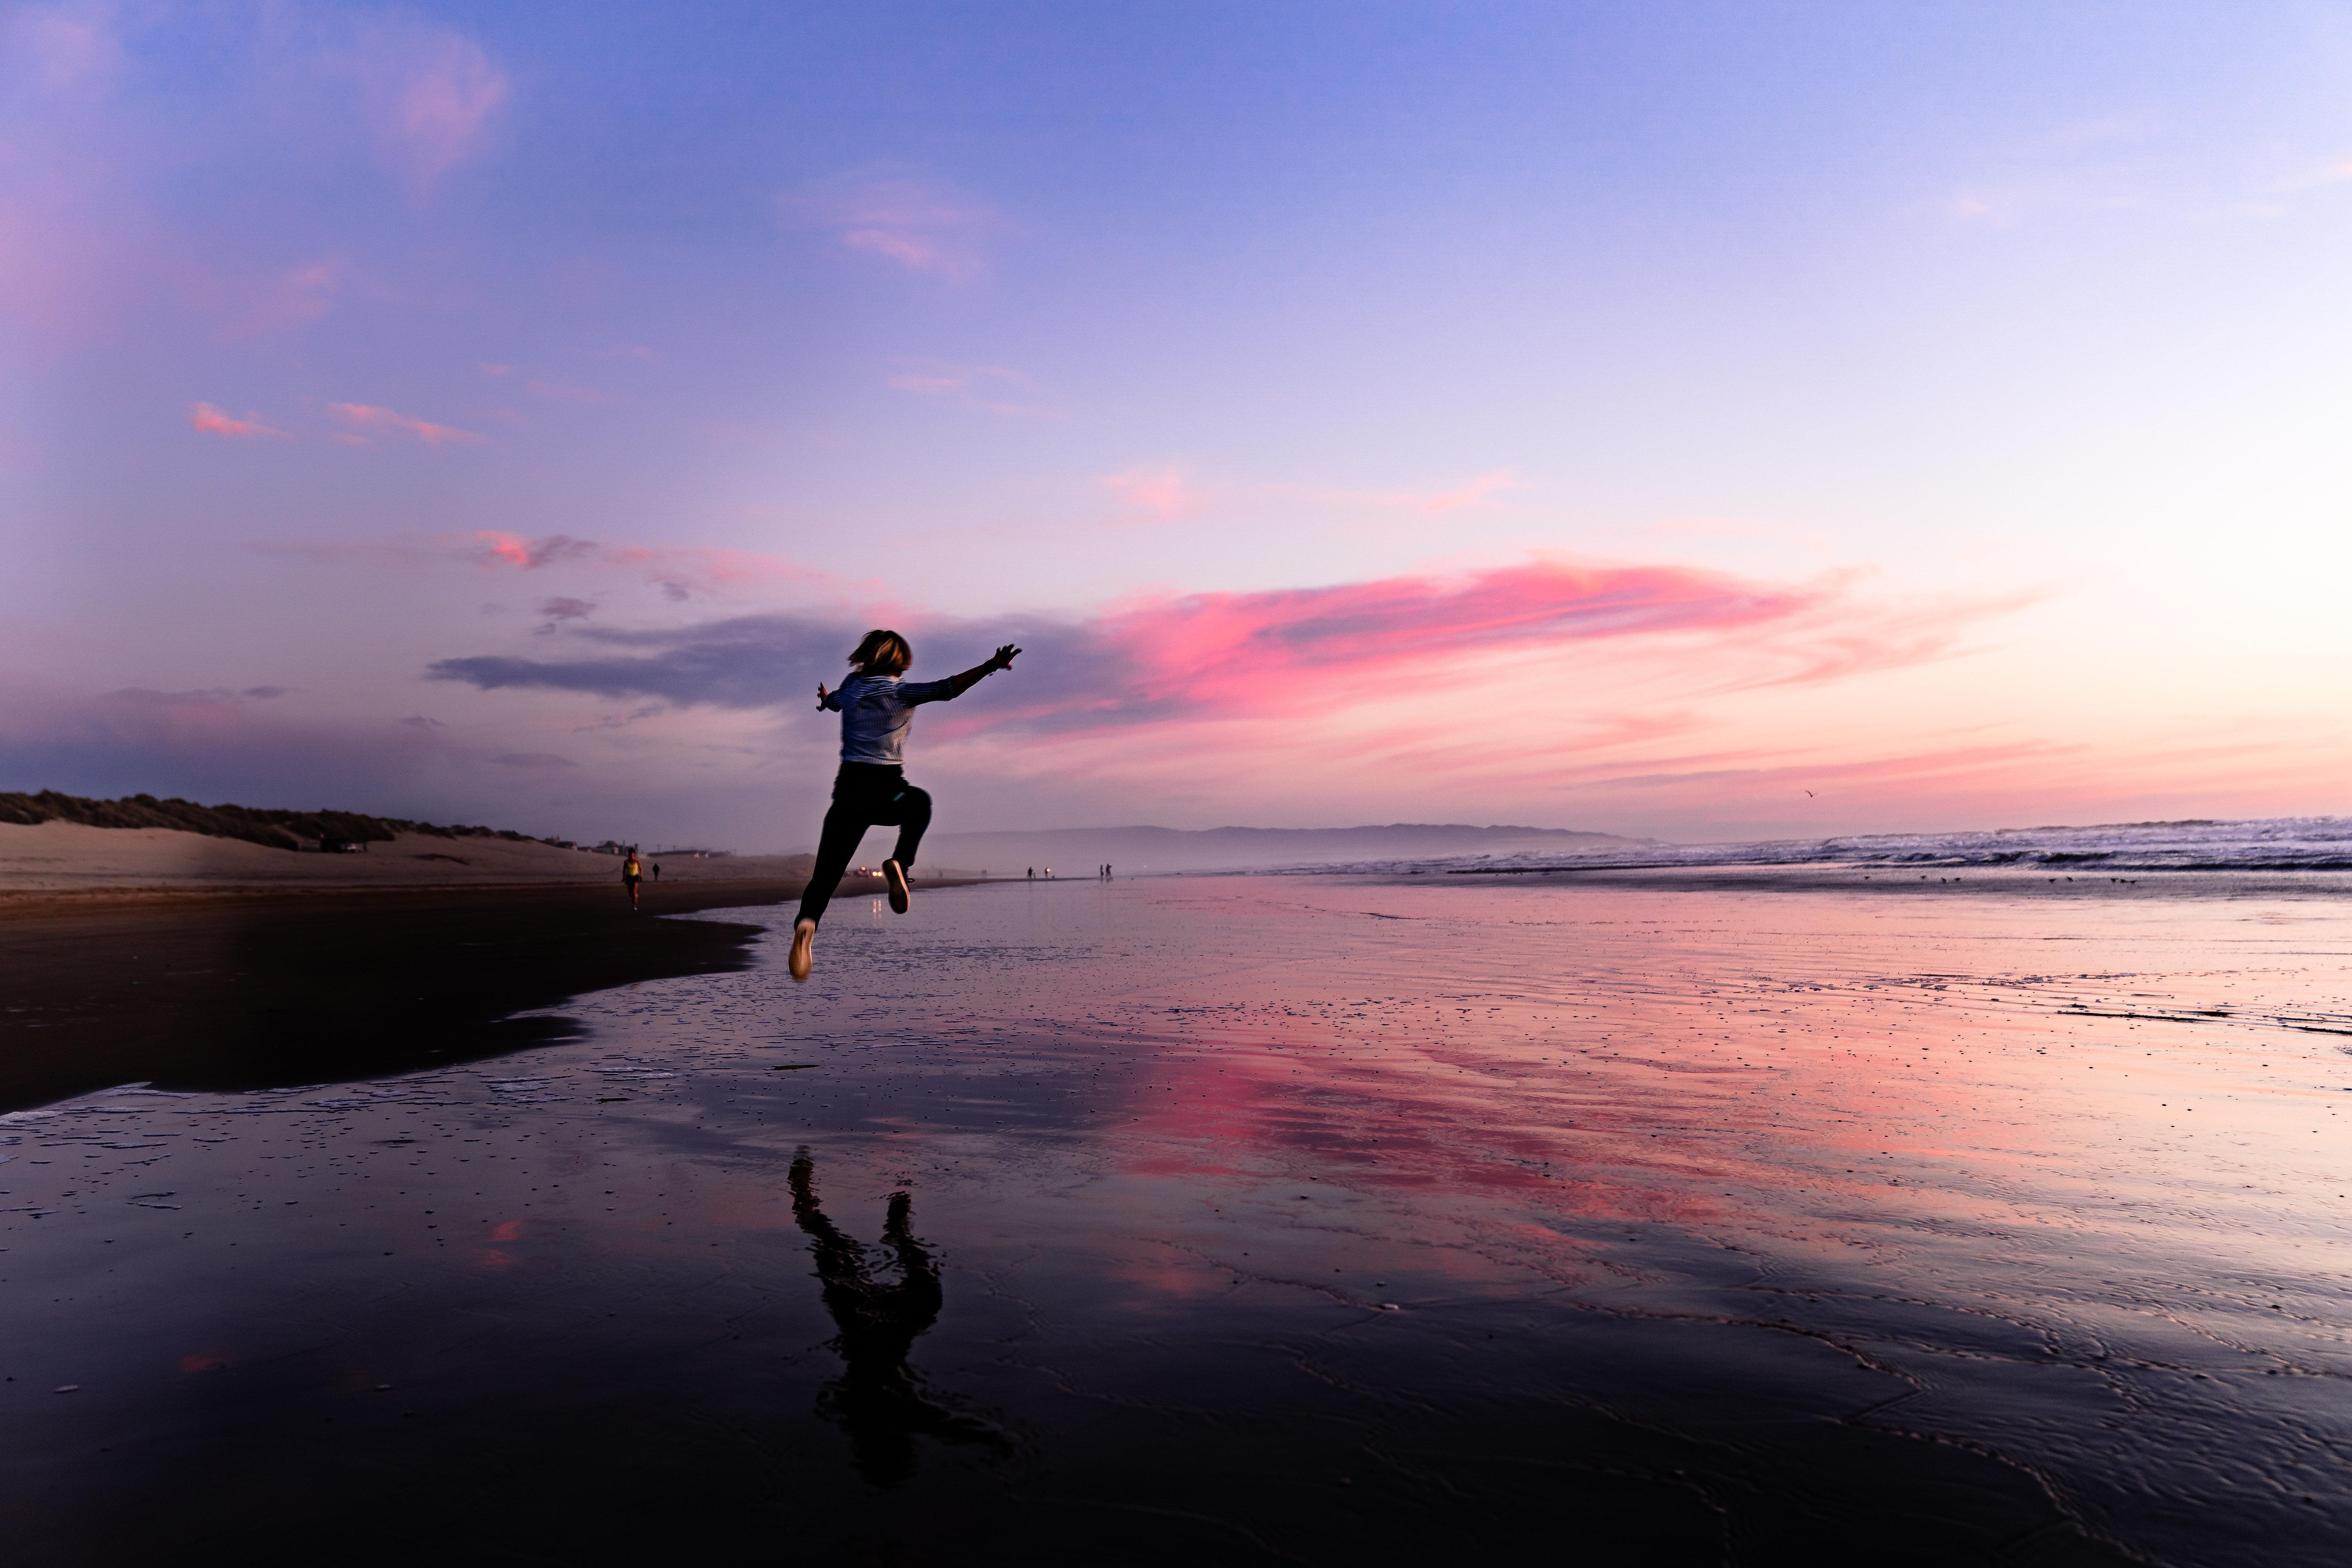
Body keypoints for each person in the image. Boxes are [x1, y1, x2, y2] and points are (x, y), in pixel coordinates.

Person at [789, 630, 1021, 981]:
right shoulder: (900, 692)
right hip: (889, 793)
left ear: (867, 657)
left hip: (849, 795)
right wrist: (991, 664)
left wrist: (825, 701)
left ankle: (807, 926)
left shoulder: (851, 687)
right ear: (899, 663)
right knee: (920, 803)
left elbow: (835, 700)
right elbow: (949, 688)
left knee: (825, 878)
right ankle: (900, 862)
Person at [621, 846, 642, 910]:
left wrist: (641, 876)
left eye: (632, 854)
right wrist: (624, 877)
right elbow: (624, 870)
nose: (630, 855)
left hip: (636, 877)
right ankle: (636, 896)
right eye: (629, 854)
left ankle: (634, 906)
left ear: (634, 854)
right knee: (630, 894)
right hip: (629, 877)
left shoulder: (637, 861)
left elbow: (640, 869)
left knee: (634, 891)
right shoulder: (626, 862)